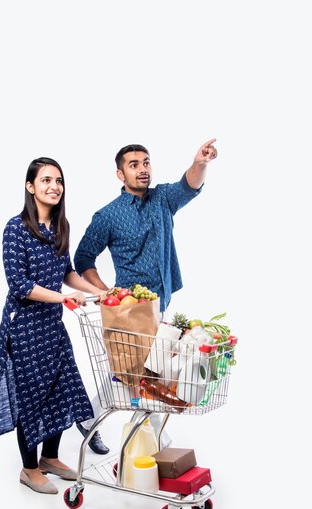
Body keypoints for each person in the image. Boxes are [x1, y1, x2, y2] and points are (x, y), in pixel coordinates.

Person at [73, 139, 218, 449]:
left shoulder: (163, 198)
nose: (142, 169)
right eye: (134, 165)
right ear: (120, 174)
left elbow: (188, 185)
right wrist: (103, 291)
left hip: (162, 302)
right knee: (144, 374)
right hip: (129, 311)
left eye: (146, 163)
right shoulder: (107, 216)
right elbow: (83, 258)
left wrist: (201, 163)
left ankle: (88, 417)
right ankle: (160, 443)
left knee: (132, 372)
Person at [0, 157, 106, 494]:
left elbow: (67, 272)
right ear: (31, 187)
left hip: (53, 326)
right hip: (24, 327)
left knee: (63, 389)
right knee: (32, 397)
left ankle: (50, 458)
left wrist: (97, 290)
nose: (54, 187)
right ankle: (29, 468)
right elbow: (19, 285)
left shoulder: (60, 227)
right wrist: (64, 298)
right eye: (46, 181)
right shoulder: (16, 228)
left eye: (59, 181)